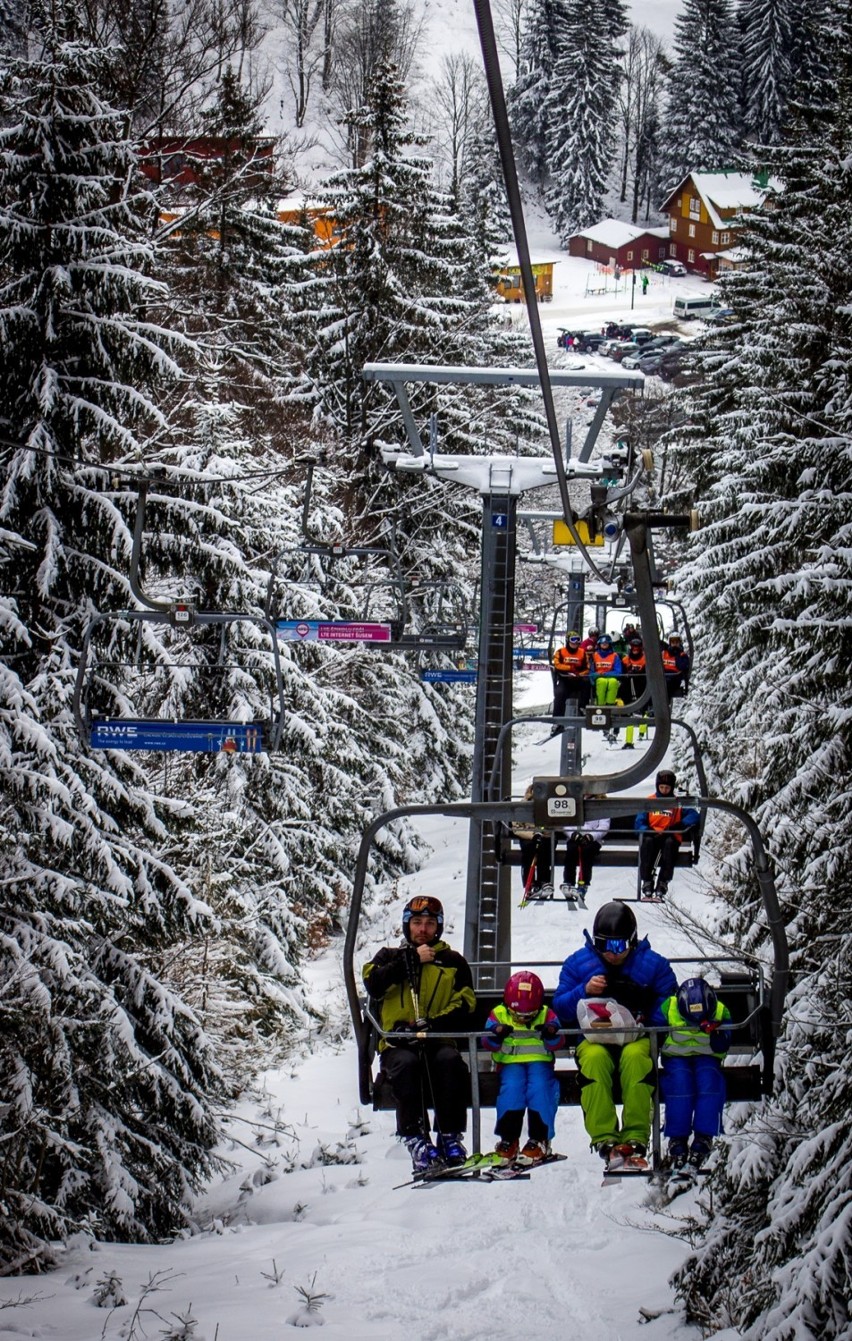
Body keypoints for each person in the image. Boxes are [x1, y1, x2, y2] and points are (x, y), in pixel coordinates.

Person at [553, 902, 676, 1171]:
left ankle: (635, 1135)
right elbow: (560, 1008)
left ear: (632, 941)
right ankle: (604, 1137)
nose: (611, 953)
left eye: (619, 946)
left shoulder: (653, 966)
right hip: (595, 1038)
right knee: (594, 1060)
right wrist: (583, 991)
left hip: (636, 1037)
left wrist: (644, 1012)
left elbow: (669, 1002)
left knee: (636, 1059)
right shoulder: (578, 964)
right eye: (603, 945)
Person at [362, 895, 475, 1171]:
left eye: (428, 923)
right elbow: (372, 984)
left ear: (438, 927)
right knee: (406, 1065)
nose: (422, 929)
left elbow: (466, 1003)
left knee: (449, 1062)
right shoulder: (389, 958)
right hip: (398, 1044)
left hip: (437, 1040)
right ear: (407, 926)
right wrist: (409, 960)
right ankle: (416, 1138)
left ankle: (449, 1136)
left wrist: (433, 1025)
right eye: (416, 923)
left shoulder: (452, 962)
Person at [481, 971, 563, 1165]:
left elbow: (559, 1040)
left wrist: (550, 1032)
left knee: (541, 1087)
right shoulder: (499, 1014)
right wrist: (497, 1034)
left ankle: (540, 1137)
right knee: (512, 1088)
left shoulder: (546, 1014)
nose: (523, 1019)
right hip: (510, 1063)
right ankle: (509, 1138)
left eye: (529, 1016)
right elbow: (487, 1042)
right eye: (518, 1015)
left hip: (540, 1062)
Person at [654, 978, 732, 1171]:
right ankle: (677, 1138)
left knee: (710, 1081)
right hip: (676, 1057)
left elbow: (724, 1043)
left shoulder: (720, 1011)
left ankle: (704, 1137)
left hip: (707, 1057)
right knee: (680, 1084)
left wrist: (715, 1031)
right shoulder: (668, 1007)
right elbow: (653, 1029)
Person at [634, 769, 700, 899]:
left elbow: (694, 815)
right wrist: (647, 830)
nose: (664, 790)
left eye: (667, 787)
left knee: (670, 846)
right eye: (662, 787)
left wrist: (680, 825)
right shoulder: (650, 801)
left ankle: (663, 881)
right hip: (653, 835)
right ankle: (647, 880)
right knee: (647, 844)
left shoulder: (677, 803)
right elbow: (639, 821)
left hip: (670, 835)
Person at [512, 786, 554, 899]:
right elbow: (517, 827)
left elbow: (553, 823)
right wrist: (532, 835)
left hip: (544, 836)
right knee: (528, 852)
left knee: (544, 851)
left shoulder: (548, 805)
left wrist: (543, 832)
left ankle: (543, 882)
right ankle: (529, 883)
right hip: (528, 837)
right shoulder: (523, 805)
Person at [561, 811, 611, 898]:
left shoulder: (600, 805)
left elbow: (604, 826)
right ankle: (568, 882)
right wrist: (572, 834)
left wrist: (591, 836)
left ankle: (583, 883)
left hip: (593, 839)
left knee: (587, 852)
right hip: (574, 837)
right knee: (571, 850)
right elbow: (565, 822)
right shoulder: (573, 801)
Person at [551, 630, 590, 719]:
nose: (575, 643)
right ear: (568, 641)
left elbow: (587, 667)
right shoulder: (560, 652)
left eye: (577, 640)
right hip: (565, 679)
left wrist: (580, 674)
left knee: (587, 684)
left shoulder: (582, 653)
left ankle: (582, 708)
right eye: (573, 640)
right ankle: (557, 719)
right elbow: (557, 664)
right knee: (560, 693)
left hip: (578, 679)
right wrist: (569, 668)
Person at [621, 637, 648, 750]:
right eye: (633, 648)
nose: (635, 650)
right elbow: (622, 672)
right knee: (630, 716)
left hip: (642, 688)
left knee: (643, 711)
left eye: (637, 648)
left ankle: (641, 732)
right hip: (629, 689)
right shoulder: (626, 660)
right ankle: (628, 741)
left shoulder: (645, 659)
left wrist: (640, 671)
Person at [590, 632, 622, 706]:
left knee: (613, 682)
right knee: (602, 682)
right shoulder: (594, 655)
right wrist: (594, 677)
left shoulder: (615, 656)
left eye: (606, 643)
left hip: (610, 676)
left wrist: (606, 674)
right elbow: (591, 671)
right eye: (602, 643)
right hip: (599, 677)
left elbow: (618, 671)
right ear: (599, 644)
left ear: (610, 644)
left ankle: (610, 704)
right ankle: (600, 705)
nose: (604, 644)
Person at [662, 633, 691, 700]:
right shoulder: (664, 653)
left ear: (679, 643)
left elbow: (682, 666)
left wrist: (677, 654)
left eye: (676, 642)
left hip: (675, 678)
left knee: (667, 685)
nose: (675, 644)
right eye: (673, 642)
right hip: (663, 676)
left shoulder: (682, 655)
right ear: (670, 643)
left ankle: (664, 703)